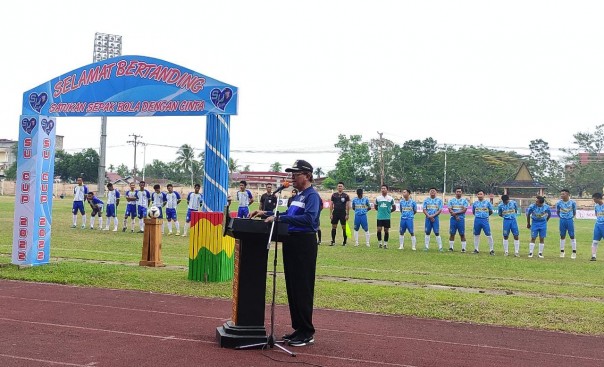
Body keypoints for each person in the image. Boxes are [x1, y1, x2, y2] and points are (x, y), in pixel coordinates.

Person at [250, 159, 320, 347]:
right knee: (293, 287)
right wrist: (264, 213)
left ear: (307, 175)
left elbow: (308, 219)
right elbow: (288, 214)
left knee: (303, 288)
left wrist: (279, 216)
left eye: (296, 175)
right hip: (291, 242)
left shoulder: (312, 196)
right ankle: (298, 328)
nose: (292, 178)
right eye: (292, 174)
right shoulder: (297, 196)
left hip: (304, 244)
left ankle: (307, 331)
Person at [556, 189, 577, 259]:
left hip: (570, 220)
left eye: (563, 194)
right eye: (561, 194)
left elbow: (574, 211)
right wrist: (562, 217)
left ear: (568, 194)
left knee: (572, 235)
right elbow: (558, 211)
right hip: (562, 220)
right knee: (562, 235)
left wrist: (570, 217)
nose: (561, 195)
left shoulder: (572, 202)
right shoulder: (559, 203)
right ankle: (562, 251)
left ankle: (574, 252)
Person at [472, 190, 494, 255]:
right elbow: (473, 212)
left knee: (488, 234)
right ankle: (476, 249)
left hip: (485, 220)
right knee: (476, 234)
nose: (480, 195)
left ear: (484, 195)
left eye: (481, 194)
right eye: (478, 194)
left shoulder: (487, 203)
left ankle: (491, 250)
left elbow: (491, 211)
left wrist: (486, 216)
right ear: (477, 195)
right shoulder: (475, 203)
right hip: (477, 220)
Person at [448, 187, 469, 252]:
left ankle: (463, 249)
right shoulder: (451, 201)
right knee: (452, 233)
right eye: (457, 191)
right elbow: (450, 209)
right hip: (453, 219)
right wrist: (455, 215)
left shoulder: (465, 201)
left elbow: (464, 210)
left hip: (461, 219)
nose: (458, 193)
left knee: (462, 234)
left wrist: (455, 213)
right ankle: (451, 248)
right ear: (455, 192)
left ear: (461, 193)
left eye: (460, 191)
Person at [329, 182, 351, 246]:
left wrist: (347, 214)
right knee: (334, 227)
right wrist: (331, 214)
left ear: (343, 187)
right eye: (339, 186)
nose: (339, 187)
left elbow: (347, 205)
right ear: (337, 187)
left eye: (341, 186)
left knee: (344, 227)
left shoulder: (346, 195)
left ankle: (344, 242)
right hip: (335, 212)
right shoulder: (334, 195)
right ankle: (333, 241)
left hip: (343, 213)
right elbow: (331, 204)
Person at [376, 184, 396, 249]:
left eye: (384, 188)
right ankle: (379, 243)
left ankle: (385, 244)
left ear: (387, 190)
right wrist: (380, 211)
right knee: (379, 229)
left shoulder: (390, 198)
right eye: (382, 188)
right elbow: (375, 206)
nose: (383, 189)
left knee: (386, 230)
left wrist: (389, 212)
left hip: (387, 217)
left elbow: (394, 208)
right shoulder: (378, 198)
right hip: (379, 217)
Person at [590, 192, 604, 261]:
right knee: (595, 241)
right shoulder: (596, 206)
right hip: (598, 225)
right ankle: (593, 256)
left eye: (594, 199)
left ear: (599, 198)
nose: (594, 201)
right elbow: (596, 214)